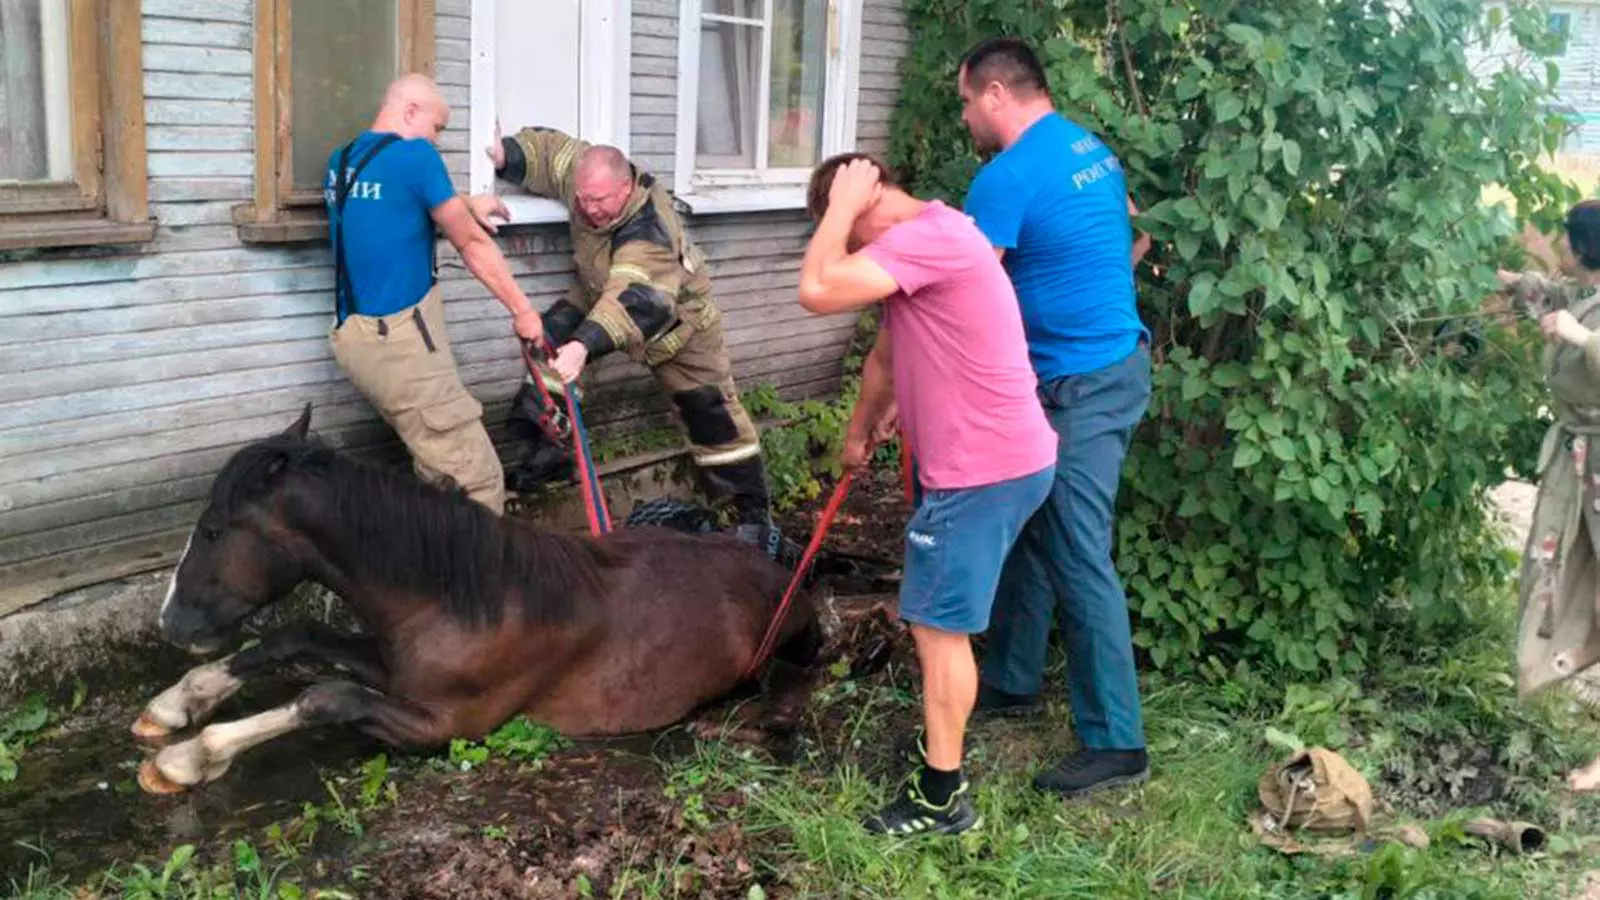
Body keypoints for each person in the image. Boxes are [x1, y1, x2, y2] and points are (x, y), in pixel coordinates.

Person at [798, 153, 1057, 835]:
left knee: (937, 627)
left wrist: (837, 210)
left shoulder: (924, 237)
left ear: (862, 205)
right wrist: (861, 430)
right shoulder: (934, 236)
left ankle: (943, 796)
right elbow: (887, 354)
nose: (850, 247)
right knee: (941, 617)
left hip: (980, 470)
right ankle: (942, 752)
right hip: (1004, 459)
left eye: (848, 230)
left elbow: (817, 290)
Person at [954, 36, 1153, 797]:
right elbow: (1136, 230)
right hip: (1110, 365)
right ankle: (1010, 676)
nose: (967, 116)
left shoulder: (1006, 178)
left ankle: (1117, 742)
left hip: (1080, 385)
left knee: (1075, 545)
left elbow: (961, 296)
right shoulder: (1090, 148)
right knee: (1036, 524)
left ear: (997, 94)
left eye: (968, 101)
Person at [468, 124, 773, 533]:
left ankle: (748, 518)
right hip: (599, 291)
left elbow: (638, 298)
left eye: (599, 201)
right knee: (549, 336)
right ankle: (555, 453)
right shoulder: (585, 176)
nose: (588, 209)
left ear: (626, 188)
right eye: (582, 198)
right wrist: (507, 155)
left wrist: (583, 346)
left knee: (711, 417)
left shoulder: (649, 226)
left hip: (677, 327)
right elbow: (550, 155)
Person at [324, 74, 544, 516]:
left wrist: (464, 201)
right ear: (410, 112)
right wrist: (523, 311)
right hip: (403, 343)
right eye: (437, 127)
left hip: (355, 339)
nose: (436, 139)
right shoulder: (416, 156)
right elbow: (473, 245)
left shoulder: (343, 159)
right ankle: (474, 583)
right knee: (474, 481)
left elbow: (397, 199)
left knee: (435, 471)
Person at [1497, 199, 1600, 795]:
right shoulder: (1583, 292)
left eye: (1565, 238)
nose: (1557, 245)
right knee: (1567, 584)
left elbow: (1579, 326)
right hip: (1580, 470)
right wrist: (1515, 286)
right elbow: (1555, 295)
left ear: (1584, 247)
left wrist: (1582, 336)